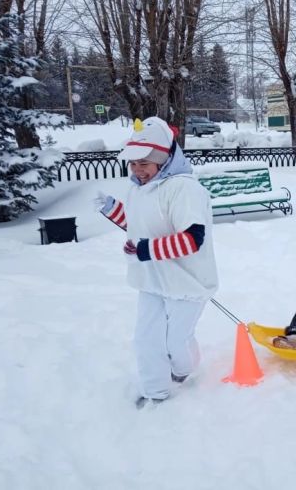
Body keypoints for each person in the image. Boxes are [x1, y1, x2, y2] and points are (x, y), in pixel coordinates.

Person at [97, 117, 218, 408]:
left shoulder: (183, 189)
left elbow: (192, 238)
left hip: (187, 281)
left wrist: (143, 250)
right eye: (133, 164)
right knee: (146, 339)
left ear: (163, 160)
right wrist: (113, 210)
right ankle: (155, 391)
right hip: (151, 279)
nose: (138, 171)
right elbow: (141, 227)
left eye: (145, 164)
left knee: (176, 342)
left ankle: (183, 370)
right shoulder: (139, 188)